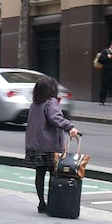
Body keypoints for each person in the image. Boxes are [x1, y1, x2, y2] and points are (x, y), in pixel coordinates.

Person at [25, 77, 79, 213]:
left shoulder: (35, 104)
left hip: (34, 145)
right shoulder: (51, 103)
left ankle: (41, 202)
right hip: (49, 146)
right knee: (54, 175)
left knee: (40, 174)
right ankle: (54, 202)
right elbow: (56, 118)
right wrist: (70, 127)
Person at [97, 40, 112, 105]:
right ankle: (101, 100)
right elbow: (100, 60)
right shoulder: (105, 52)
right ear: (111, 46)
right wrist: (107, 57)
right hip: (106, 72)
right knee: (104, 86)